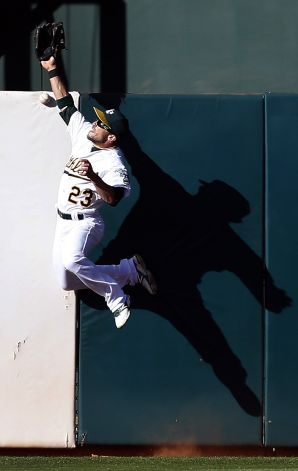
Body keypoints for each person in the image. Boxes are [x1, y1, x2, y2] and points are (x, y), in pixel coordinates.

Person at [40, 55, 157, 329]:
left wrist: (93, 176)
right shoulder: (82, 133)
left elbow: (114, 199)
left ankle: (117, 299)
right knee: (66, 281)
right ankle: (129, 271)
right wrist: (52, 68)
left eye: (101, 124)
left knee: (72, 259)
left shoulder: (114, 163)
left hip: (87, 222)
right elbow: (65, 103)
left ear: (111, 138)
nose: (95, 123)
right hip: (62, 221)